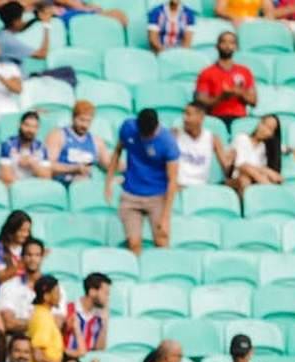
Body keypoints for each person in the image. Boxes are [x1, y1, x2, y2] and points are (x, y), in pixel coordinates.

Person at [106, 108, 179, 254]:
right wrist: (108, 182)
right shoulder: (128, 128)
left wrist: (165, 217)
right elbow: (117, 152)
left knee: (162, 241)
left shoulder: (167, 143)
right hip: (131, 194)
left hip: (157, 195)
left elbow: (172, 180)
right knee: (133, 244)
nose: (146, 138)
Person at [195, 32, 256, 127]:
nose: (227, 46)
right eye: (224, 42)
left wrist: (240, 93)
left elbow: (254, 101)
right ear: (217, 46)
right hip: (215, 119)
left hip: (240, 120)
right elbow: (200, 103)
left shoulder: (245, 71)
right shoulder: (206, 72)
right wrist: (221, 97)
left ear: (236, 47)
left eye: (231, 43)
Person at [46, 100, 110, 185]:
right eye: (81, 120)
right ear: (73, 118)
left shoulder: (97, 141)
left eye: (88, 121)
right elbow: (47, 165)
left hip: (85, 186)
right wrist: (74, 168)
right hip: (62, 183)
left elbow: (108, 165)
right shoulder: (58, 135)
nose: (84, 125)